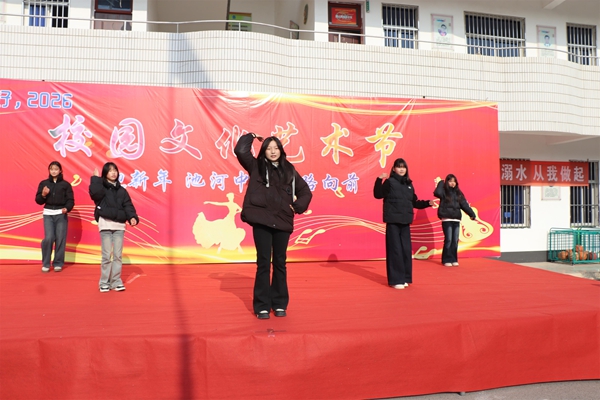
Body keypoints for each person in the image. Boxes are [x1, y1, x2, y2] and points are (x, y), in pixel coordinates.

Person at [234, 133, 312, 319]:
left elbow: (305, 191)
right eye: (269, 148)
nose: (273, 151)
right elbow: (240, 150)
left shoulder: (289, 170)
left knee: (279, 263)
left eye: (276, 148)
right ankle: (262, 305)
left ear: (281, 150)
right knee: (263, 263)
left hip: (282, 221)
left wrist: (298, 206)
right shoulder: (256, 166)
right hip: (262, 220)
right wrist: (251, 136)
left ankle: (279, 303)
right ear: (264, 151)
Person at [374, 158, 433, 289]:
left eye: (403, 167)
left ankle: (405, 278)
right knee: (395, 250)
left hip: (405, 221)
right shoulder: (390, 182)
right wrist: (379, 179)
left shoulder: (409, 185)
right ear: (394, 169)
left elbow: (414, 202)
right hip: (393, 221)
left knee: (406, 250)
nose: (401, 169)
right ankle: (396, 280)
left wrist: (428, 203)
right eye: (399, 167)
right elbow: (378, 194)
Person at [89, 162, 139, 292]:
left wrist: (132, 217)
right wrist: (95, 179)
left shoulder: (122, 191)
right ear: (105, 173)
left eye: (115, 170)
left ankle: (116, 281)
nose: (113, 173)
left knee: (117, 256)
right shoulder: (101, 188)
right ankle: (104, 282)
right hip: (105, 225)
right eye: (110, 170)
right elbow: (94, 195)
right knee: (106, 256)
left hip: (119, 226)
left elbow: (128, 206)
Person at [35, 161, 74, 273]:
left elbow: (70, 200)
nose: (54, 171)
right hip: (48, 214)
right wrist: (43, 195)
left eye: (56, 169)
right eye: (52, 169)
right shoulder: (44, 183)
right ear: (49, 170)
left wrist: (67, 208)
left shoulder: (66, 185)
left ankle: (58, 263)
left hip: (61, 214)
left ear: (60, 170)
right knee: (49, 238)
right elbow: (38, 200)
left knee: (60, 238)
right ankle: (46, 263)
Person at [433, 174, 476, 267]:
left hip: (456, 219)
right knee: (448, 239)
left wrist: (472, 214)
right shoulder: (444, 192)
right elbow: (437, 193)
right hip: (447, 219)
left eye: (454, 181)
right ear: (447, 182)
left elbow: (464, 204)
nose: (452, 183)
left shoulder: (458, 193)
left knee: (455, 240)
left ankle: (454, 259)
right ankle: (446, 260)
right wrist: (441, 182)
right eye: (450, 181)